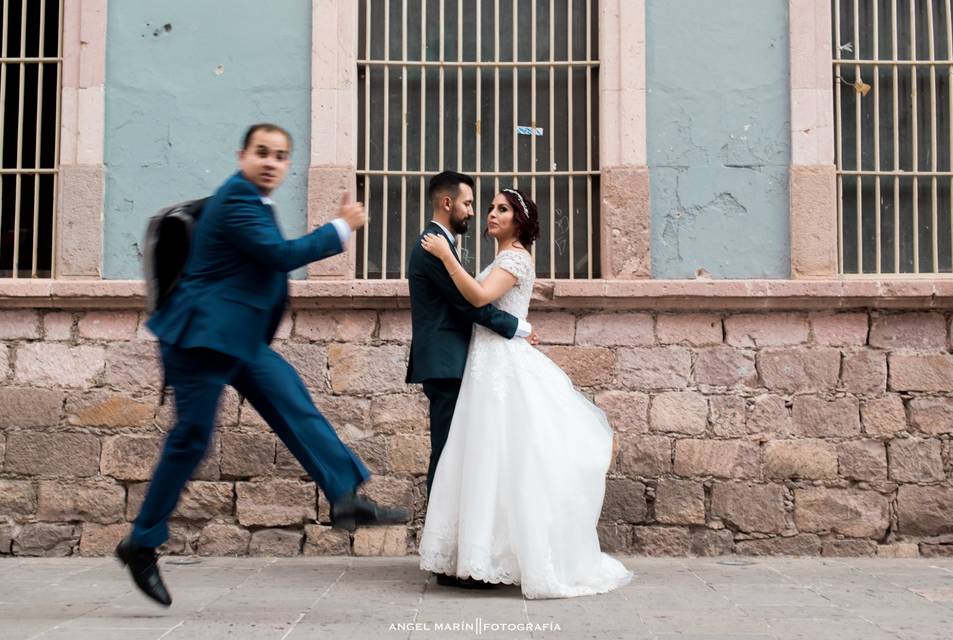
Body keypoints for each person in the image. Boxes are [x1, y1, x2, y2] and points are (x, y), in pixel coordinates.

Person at [117, 123, 409, 607]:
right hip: (200, 341)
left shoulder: (257, 203)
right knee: (191, 440)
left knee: (293, 402)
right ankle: (141, 542)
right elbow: (279, 256)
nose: (272, 162)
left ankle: (343, 497)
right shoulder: (236, 199)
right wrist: (340, 228)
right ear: (242, 156)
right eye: (262, 153)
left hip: (241, 340)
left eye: (280, 155)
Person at [417, 188, 632, 598]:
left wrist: (446, 258)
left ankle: (496, 558)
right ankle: (478, 557)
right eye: (492, 208)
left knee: (500, 455)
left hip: (501, 363)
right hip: (486, 361)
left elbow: (479, 297)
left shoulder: (515, 257)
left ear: (519, 221)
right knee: (483, 458)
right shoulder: (501, 257)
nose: (492, 214)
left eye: (503, 209)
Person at [405, 171, 536, 589]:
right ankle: (448, 558)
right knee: (450, 459)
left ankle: (462, 555)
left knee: (470, 458)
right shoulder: (433, 246)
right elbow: (470, 305)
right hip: (448, 362)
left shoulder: (456, 247)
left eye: (498, 207)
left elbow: (476, 297)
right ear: (448, 204)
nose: (476, 211)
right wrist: (517, 327)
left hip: (473, 363)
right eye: (470, 204)